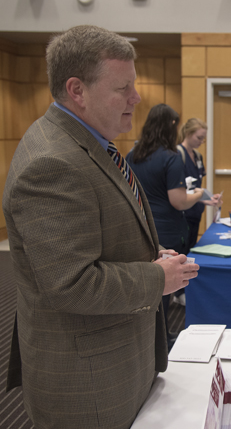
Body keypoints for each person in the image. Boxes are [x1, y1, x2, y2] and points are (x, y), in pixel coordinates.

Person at [2, 25, 199, 429]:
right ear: (77, 90)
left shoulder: (90, 143)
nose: (136, 97)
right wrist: (154, 278)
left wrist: (148, 257)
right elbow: (70, 284)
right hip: (86, 384)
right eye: (122, 88)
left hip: (115, 360)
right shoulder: (52, 163)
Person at [126, 105, 209, 333]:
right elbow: (179, 201)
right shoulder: (170, 158)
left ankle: (151, 338)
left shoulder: (131, 156)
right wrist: (201, 194)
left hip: (141, 228)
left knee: (148, 286)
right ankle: (161, 340)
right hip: (168, 230)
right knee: (164, 288)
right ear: (172, 128)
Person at [177, 118, 221, 252]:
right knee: (183, 250)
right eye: (199, 138)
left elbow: (197, 186)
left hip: (196, 211)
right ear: (188, 134)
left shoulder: (197, 156)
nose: (201, 142)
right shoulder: (177, 155)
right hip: (183, 214)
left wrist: (209, 198)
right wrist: (202, 198)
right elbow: (182, 189)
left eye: (204, 139)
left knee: (192, 247)